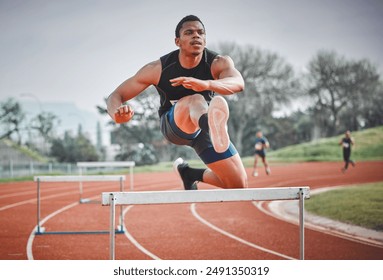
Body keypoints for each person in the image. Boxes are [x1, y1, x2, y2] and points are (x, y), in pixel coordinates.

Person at [106, 15, 247, 190]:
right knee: (195, 99)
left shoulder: (218, 62)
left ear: (205, 38)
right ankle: (211, 125)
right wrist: (117, 115)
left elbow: (238, 83)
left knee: (238, 185)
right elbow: (116, 95)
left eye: (200, 32)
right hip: (173, 125)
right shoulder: (158, 69)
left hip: (203, 131)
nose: (196, 36)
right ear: (177, 41)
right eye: (189, 32)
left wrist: (207, 84)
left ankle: (190, 174)